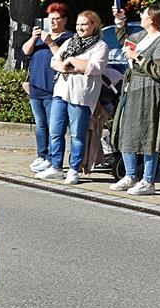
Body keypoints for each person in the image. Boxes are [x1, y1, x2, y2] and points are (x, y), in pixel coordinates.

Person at [108, 3, 160, 196]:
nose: (141, 15)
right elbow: (125, 40)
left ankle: (148, 181)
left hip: (152, 91)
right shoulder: (142, 36)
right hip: (133, 88)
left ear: (152, 19)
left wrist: (137, 57)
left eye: (144, 14)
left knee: (148, 134)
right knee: (127, 130)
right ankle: (130, 176)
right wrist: (120, 22)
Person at [36, 10, 107, 184]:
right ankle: (56, 167)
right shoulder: (70, 41)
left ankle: (74, 169)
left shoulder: (100, 46)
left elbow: (96, 67)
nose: (80, 28)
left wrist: (73, 61)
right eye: (78, 24)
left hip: (81, 96)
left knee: (77, 134)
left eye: (84, 24)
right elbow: (55, 61)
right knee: (55, 130)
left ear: (93, 25)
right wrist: (71, 66)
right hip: (61, 91)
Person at [23, 2, 73, 173]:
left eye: (56, 19)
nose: (52, 22)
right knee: (40, 125)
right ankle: (42, 155)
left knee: (55, 126)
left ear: (64, 20)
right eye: (49, 19)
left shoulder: (68, 38)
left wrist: (50, 42)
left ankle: (53, 158)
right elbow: (26, 51)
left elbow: (64, 58)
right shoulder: (41, 37)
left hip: (54, 88)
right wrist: (33, 37)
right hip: (36, 86)